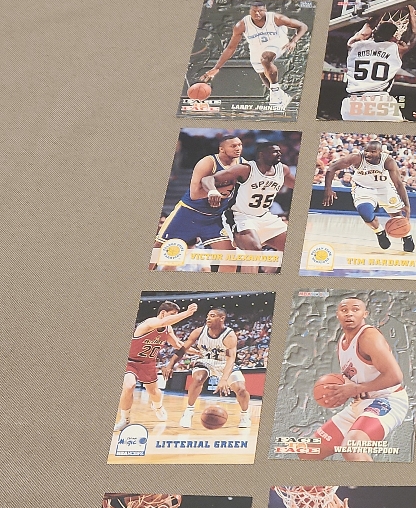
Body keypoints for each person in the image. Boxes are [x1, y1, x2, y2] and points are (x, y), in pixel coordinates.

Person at [310, 297, 407, 461]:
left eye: (355, 309)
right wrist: (342, 388)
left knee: (352, 447)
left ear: (365, 314)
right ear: (337, 315)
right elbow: (356, 375)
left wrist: (356, 389)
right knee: (308, 450)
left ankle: (373, 480)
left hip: (387, 400)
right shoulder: (342, 341)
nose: (349, 313)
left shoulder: (369, 337)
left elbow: (395, 376)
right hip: (360, 404)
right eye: (344, 310)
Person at [154, 135, 243, 272]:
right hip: (188, 213)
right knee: (157, 251)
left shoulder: (243, 164)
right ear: (221, 149)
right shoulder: (208, 162)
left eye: (240, 145)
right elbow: (194, 194)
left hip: (214, 218)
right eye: (233, 146)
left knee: (230, 259)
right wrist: (214, 191)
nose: (238, 148)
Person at [200, 2, 309, 109]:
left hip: (278, 41)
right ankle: (281, 96)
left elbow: (303, 26)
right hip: (257, 46)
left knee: (265, 59)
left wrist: (294, 41)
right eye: (254, 11)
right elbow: (230, 48)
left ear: (265, 10)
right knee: (263, 74)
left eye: (260, 11)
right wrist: (217, 67)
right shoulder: (241, 25)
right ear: (250, 11)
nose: (257, 13)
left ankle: (275, 93)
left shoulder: (277, 18)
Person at [161, 308, 252, 431]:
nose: (208, 318)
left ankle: (245, 415)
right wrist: (170, 364)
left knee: (241, 389)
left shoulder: (229, 335)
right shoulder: (198, 332)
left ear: (222, 318)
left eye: (212, 316)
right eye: (208, 315)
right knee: (198, 378)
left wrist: (224, 379)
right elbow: (182, 350)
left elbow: (231, 358)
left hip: (224, 363)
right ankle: (188, 411)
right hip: (205, 361)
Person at [209, 143, 294, 274]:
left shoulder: (283, 170)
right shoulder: (245, 169)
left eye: (279, 151)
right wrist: (212, 191)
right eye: (274, 151)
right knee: (253, 252)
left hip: (265, 216)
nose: (279, 154)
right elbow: (209, 179)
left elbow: (295, 185)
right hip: (241, 216)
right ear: (261, 154)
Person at [115, 302, 198, 431]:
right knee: (129, 386)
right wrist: (187, 313)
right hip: (131, 361)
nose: (174, 318)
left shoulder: (168, 329)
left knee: (154, 392)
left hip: (148, 363)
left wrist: (197, 352)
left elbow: (177, 345)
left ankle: (157, 406)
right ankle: (125, 419)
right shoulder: (150, 322)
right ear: (163, 313)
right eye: (172, 315)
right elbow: (162, 322)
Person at [322, 140, 416, 253]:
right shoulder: (357, 158)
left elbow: (398, 184)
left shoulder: (388, 161)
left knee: (396, 216)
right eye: (366, 151)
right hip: (363, 188)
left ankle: (407, 236)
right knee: (365, 212)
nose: (368, 154)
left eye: (372, 152)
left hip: (384, 188)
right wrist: (328, 189)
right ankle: (379, 232)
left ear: (380, 152)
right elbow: (332, 168)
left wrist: (406, 204)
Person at [342, 6, 416, 121]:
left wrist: (382, 8)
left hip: (352, 104)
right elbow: (413, 35)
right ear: (393, 37)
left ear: (374, 32)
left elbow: (367, 28)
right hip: (380, 101)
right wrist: (412, 12)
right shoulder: (396, 49)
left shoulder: (354, 44)